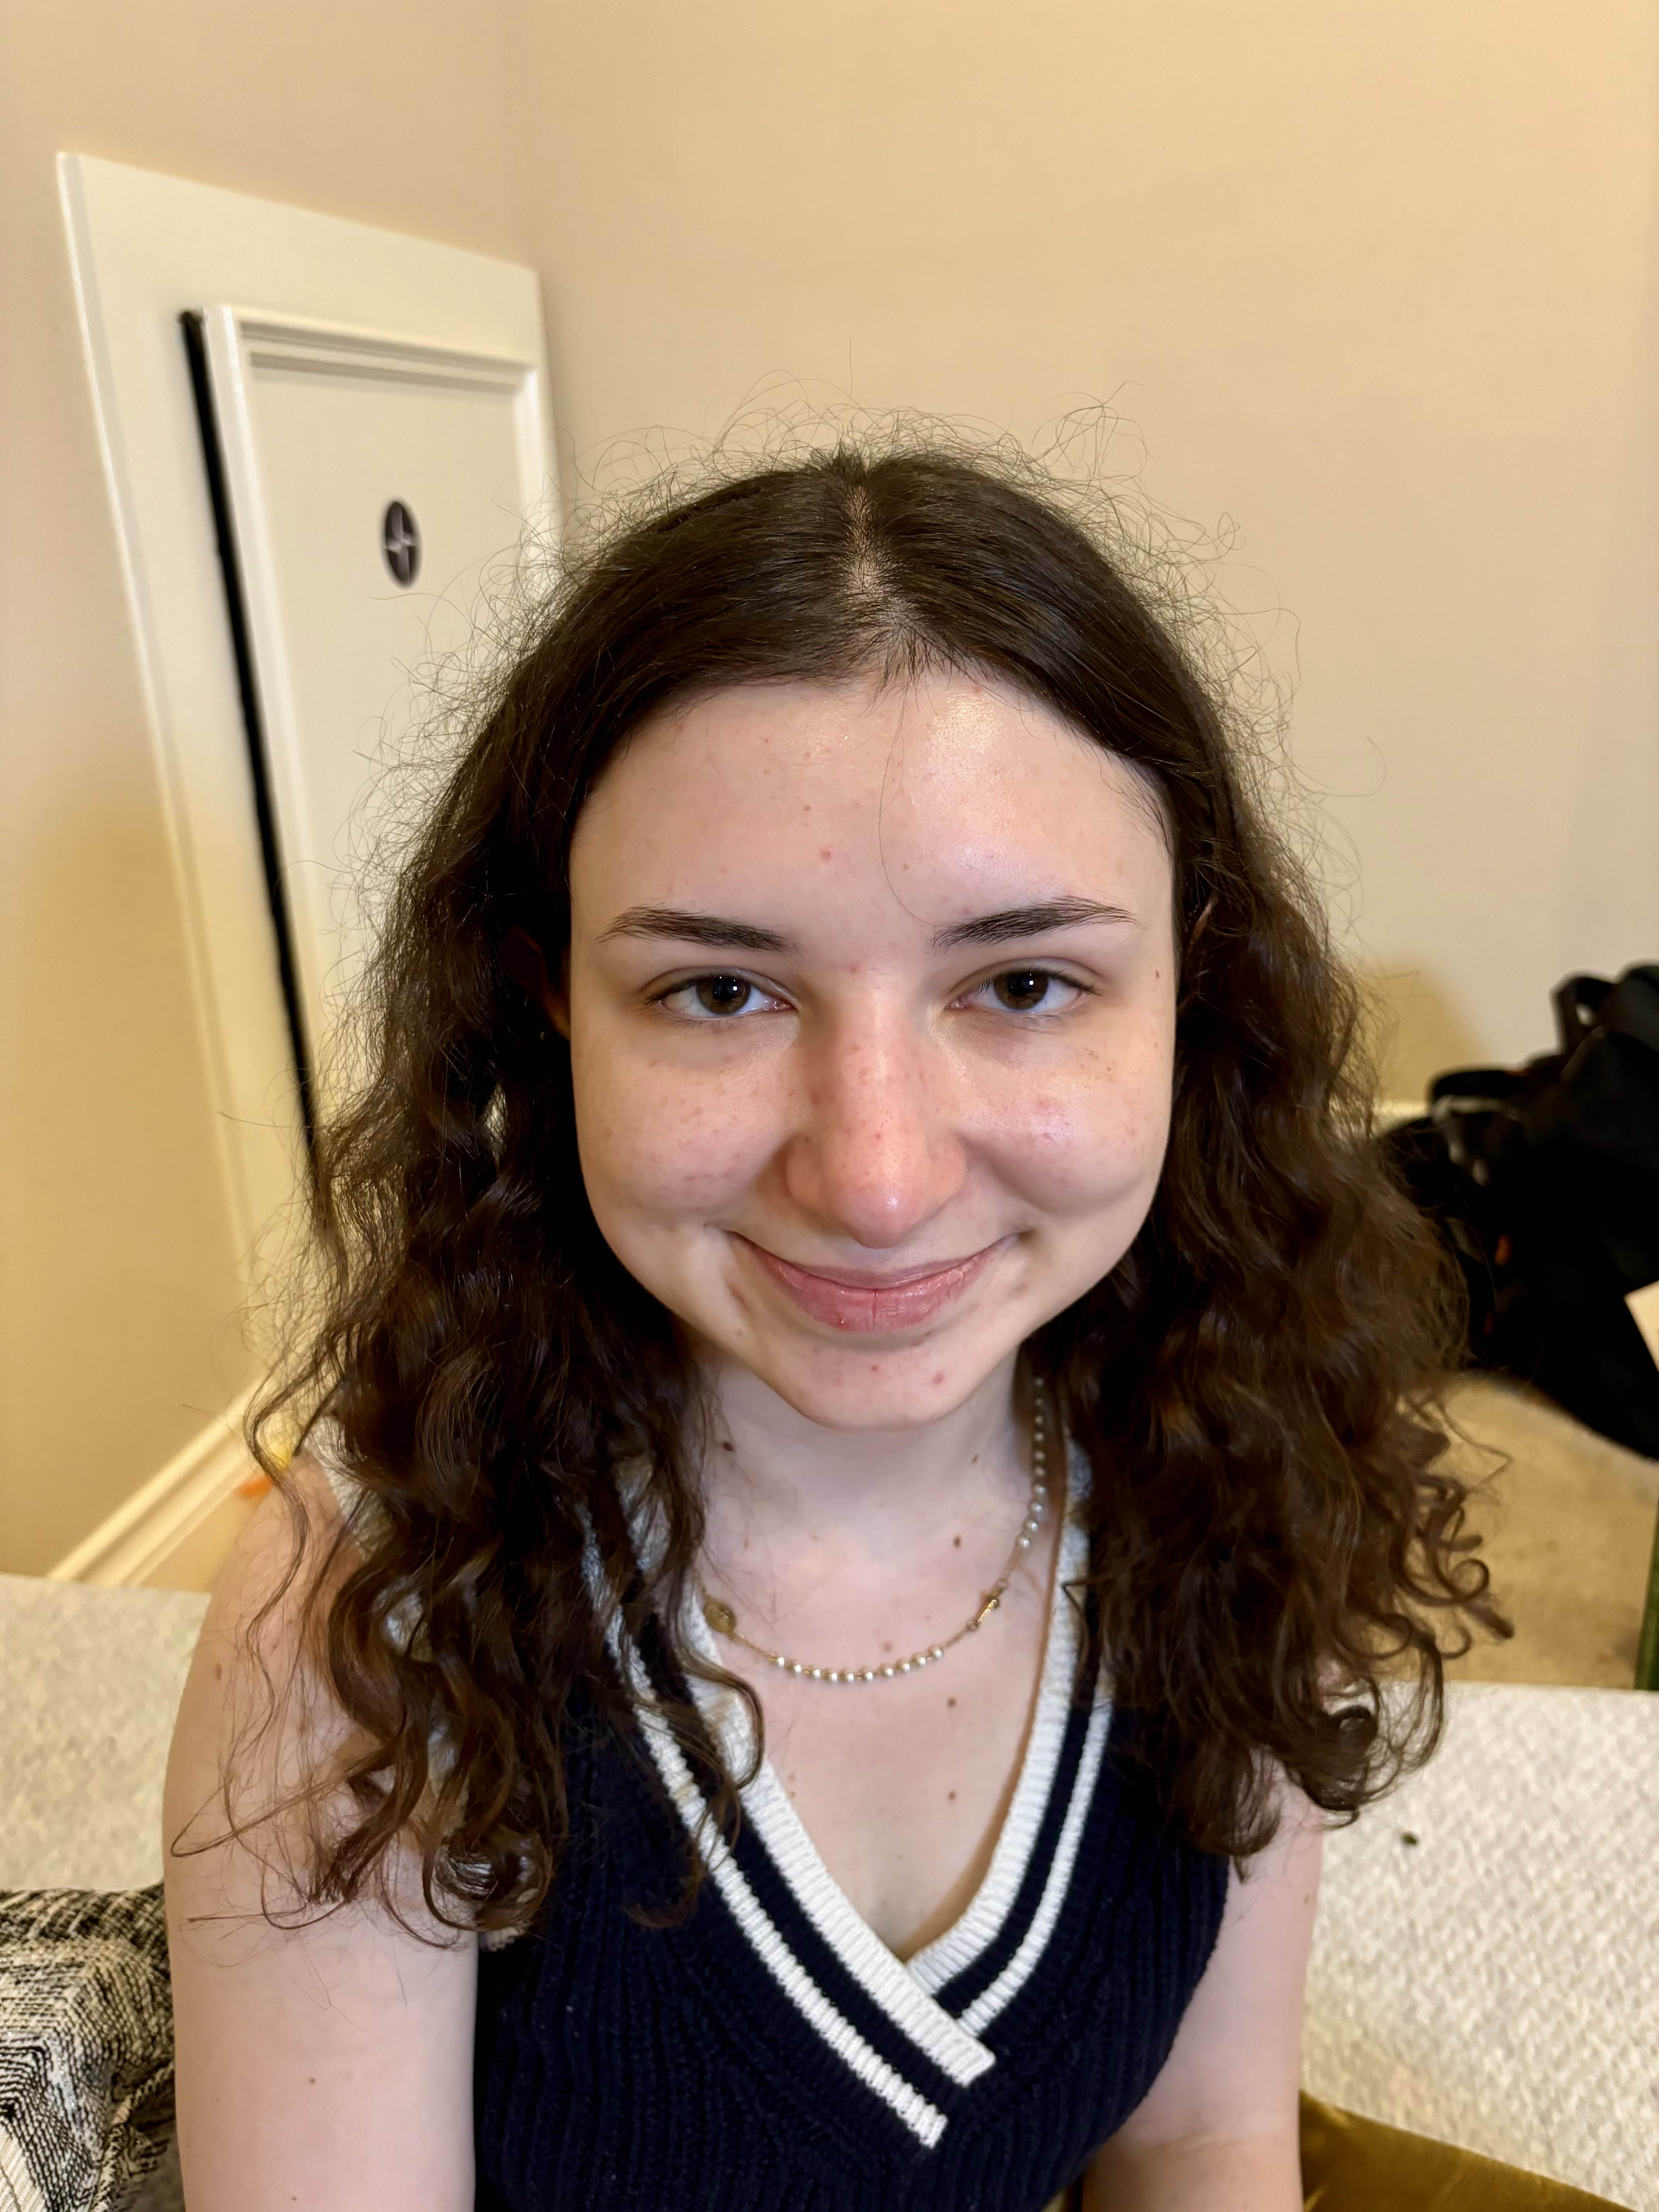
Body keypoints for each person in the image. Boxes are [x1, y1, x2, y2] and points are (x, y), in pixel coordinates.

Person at [163, 437, 1503, 2211]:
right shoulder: (367, 1620)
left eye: (1022, 982)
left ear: (1194, 982)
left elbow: (1200, 2139)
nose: (875, 1179)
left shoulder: (1244, 1468)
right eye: (720, 990)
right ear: (549, 998)